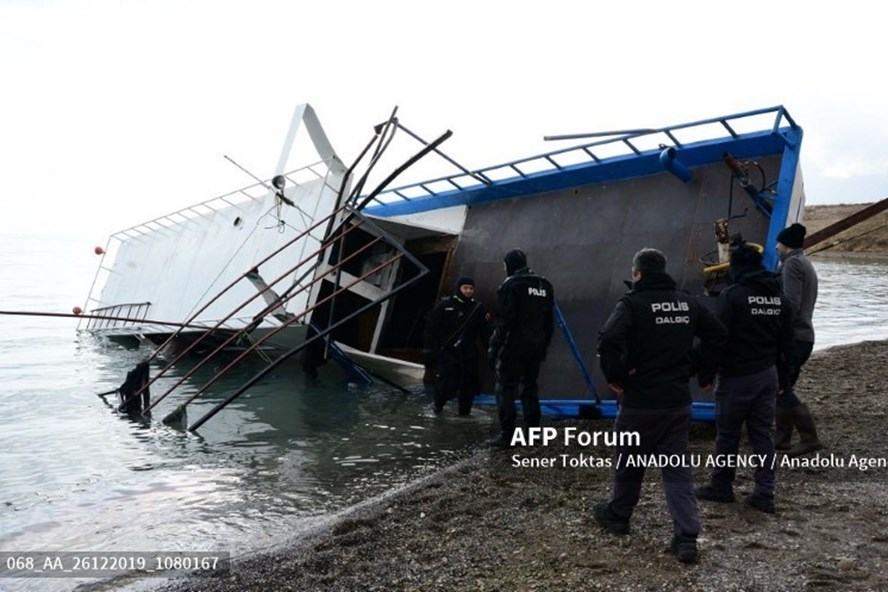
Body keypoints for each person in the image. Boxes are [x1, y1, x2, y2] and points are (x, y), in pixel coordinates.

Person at [594, 248, 727, 564]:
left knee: (629, 462)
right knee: (677, 471)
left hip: (640, 401)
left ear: (638, 273)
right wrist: (696, 368)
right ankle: (686, 536)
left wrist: (617, 377)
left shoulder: (632, 304)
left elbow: (609, 339)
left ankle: (619, 514)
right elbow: (718, 335)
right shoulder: (687, 302)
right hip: (677, 402)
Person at [695, 242, 795, 514]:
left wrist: (705, 373)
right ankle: (765, 492)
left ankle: (722, 486)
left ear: (737, 268)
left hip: (737, 377)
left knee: (727, 434)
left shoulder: (733, 296)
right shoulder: (779, 299)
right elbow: (788, 343)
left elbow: (717, 338)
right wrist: (785, 381)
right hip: (768, 376)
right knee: (762, 434)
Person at [487, 250, 554, 444]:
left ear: (509, 265)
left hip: (513, 346)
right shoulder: (544, 284)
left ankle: (508, 434)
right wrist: (544, 345)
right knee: (530, 388)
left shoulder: (511, 285)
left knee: (506, 388)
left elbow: (505, 321)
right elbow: (548, 322)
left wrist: (494, 348)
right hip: (536, 346)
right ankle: (533, 433)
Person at [775, 223, 824, 456]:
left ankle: (809, 437)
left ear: (786, 245)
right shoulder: (804, 262)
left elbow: (790, 303)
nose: (776, 246)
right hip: (805, 335)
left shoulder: (792, 264)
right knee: (783, 385)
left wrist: (774, 326)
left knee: (783, 387)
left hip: (795, 336)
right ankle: (782, 438)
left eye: (779, 243)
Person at [424, 276, 489, 415]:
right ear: (459, 288)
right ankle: (438, 407)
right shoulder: (445, 305)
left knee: (468, 385)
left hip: (469, 352)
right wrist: (430, 350)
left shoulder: (477, 307)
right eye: (465, 288)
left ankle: (464, 412)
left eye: (471, 288)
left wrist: (489, 350)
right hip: (448, 351)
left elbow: (484, 331)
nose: (468, 291)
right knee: (446, 382)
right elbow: (432, 328)